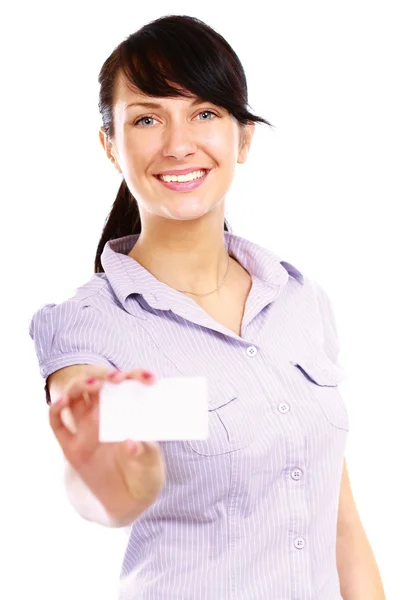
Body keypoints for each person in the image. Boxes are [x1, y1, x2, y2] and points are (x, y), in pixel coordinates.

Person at [28, 14, 384, 600]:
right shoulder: (93, 323)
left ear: (242, 138)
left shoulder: (298, 301)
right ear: (110, 146)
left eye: (205, 113)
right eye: (147, 118)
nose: (177, 144)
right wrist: (114, 470)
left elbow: (341, 521)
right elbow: (110, 488)